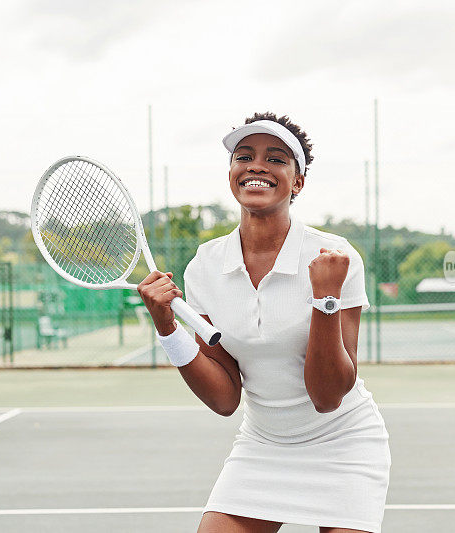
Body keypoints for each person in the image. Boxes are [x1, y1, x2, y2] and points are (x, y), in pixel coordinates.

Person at [137, 112, 391, 533]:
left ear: (298, 182)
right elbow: (224, 399)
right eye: (244, 156)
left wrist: (326, 299)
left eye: (276, 158)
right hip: (263, 445)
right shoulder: (204, 266)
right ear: (232, 173)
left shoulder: (334, 255)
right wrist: (167, 327)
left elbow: (328, 396)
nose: (257, 165)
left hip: (344, 444)